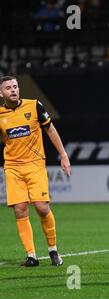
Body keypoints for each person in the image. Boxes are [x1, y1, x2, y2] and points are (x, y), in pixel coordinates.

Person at [0, 75, 70, 267]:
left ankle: (53, 250)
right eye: (8, 88)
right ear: (1, 93)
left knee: (41, 207)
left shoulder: (34, 106)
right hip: (13, 168)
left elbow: (51, 130)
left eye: (15, 86)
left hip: (35, 164)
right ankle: (31, 256)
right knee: (20, 210)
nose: (13, 90)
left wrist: (63, 155)